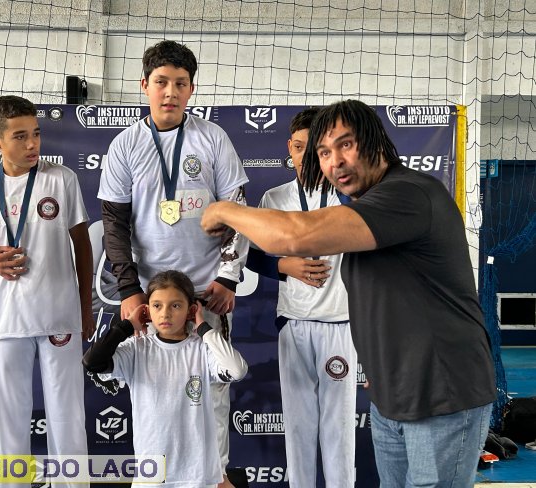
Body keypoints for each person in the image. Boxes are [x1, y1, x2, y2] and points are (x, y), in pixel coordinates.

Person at [201, 99, 497, 487]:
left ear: (375, 141)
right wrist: (379, 362)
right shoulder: (367, 203)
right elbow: (381, 296)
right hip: (395, 393)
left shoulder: (406, 194)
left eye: (345, 144)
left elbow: (295, 235)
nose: (334, 161)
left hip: (443, 395)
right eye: (324, 152)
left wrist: (223, 210)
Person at [98, 40, 248, 487]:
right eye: (161, 82)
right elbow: (114, 225)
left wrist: (228, 277)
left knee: (212, 395)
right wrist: (130, 291)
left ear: (191, 89)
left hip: (205, 293)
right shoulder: (125, 145)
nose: (171, 92)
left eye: (181, 83)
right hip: (153, 300)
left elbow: (237, 210)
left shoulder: (212, 138)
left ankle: (214, 478)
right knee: (157, 398)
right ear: (144, 85)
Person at [0, 95, 93, 487]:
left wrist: (84, 308)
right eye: (20, 136)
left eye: (36, 134)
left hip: (60, 316)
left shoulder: (61, 178)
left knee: (67, 417)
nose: (32, 144)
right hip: (6, 318)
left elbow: (83, 246)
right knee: (10, 420)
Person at [246, 107, 357, 487]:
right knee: (298, 425)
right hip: (294, 322)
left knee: (339, 428)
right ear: (289, 149)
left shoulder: (348, 197)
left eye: (313, 148)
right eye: (298, 147)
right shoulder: (275, 198)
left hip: (340, 323)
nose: (304, 156)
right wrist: (284, 266)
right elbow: (250, 255)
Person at [82, 270, 248, 487]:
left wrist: (204, 328)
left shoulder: (202, 350)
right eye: (157, 306)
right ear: (147, 310)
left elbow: (237, 370)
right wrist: (126, 326)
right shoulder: (136, 349)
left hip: (197, 475)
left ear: (191, 310)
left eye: (176, 306)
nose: (165, 314)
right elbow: (92, 362)